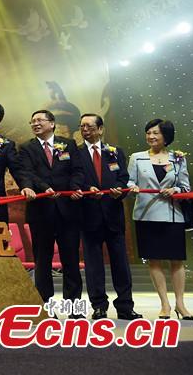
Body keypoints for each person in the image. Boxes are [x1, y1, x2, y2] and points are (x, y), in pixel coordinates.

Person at [17, 109, 85, 314]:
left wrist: (74, 188)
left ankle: (73, 307)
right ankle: (46, 307)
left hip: (68, 210)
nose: (35, 123)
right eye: (32, 121)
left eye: (40, 120)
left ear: (52, 123)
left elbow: (78, 170)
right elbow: (27, 173)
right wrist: (44, 187)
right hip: (41, 211)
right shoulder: (26, 147)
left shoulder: (68, 144)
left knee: (71, 260)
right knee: (42, 261)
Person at [127, 119, 193, 320]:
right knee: (154, 261)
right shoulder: (137, 158)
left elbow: (186, 187)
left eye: (156, 133)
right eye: (148, 133)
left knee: (177, 261)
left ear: (166, 136)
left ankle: (180, 304)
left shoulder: (178, 158)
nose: (151, 136)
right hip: (146, 215)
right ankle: (164, 304)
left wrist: (175, 189)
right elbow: (129, 181)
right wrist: (132, 187)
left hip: (172, 215)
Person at [77, 113, 141, 320]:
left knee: (121, 264)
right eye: (82, 126)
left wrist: (119, 191)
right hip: (89, 216)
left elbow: (123, 178)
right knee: (93, 266)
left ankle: (125, 306)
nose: (85, 130)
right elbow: (74, 179)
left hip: (113, 215)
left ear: (100, 129)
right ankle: (99, 306)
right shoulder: (76, 153)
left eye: (89, 126)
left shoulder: (115, 152)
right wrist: (87, 188)